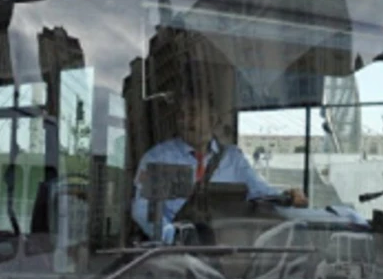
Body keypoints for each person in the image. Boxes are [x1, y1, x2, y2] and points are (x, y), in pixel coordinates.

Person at [131, 80, 307, 244]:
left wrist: (288, 197)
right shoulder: (158, 157)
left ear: (212, 118)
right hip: (175, 252)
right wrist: (175, 237)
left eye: (192, 112)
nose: (184, 121)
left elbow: (261, 193)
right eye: (181, 114)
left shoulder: (233, 159)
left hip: (224, 249)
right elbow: (143, 209)